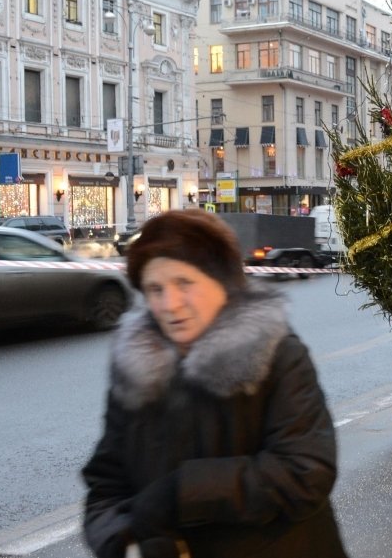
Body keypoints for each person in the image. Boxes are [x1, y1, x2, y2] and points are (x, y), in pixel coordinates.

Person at [82, 209, 348, 558]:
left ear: (222, 282)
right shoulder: (135, 367)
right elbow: (105, 484)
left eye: (184, 283)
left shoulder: (276, 354)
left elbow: (305, 471)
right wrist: (121, 537)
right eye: (155, 289)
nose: (170, 304)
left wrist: (183, 492)